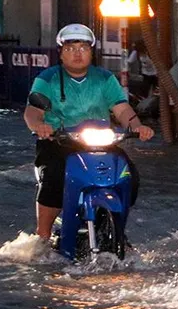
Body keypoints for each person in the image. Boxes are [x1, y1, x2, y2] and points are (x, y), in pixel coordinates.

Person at [23, 23, 154, 242]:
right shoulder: (48, 78)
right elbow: (32, 111)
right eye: (71, 48)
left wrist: (137, 126)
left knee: (129, 175)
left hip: (100, 142)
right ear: (61, 53)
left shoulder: (104, 78)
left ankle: (117, 230)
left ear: (91, 52)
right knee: (53, 175)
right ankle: (43, 234)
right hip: (59, 141)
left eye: (83, 48)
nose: (77, 53)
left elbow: (122, 109)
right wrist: (40, 126)